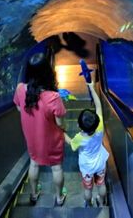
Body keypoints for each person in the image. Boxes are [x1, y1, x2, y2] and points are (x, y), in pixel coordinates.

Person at [13, 52, 67, 206]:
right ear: (47, 72)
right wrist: (65, 130)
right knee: (56, 168)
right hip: (52, 140)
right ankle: (59, 197)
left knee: (34, 162)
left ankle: (34, 194)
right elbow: (60, 122)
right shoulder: (53, 97)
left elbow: (19, 108)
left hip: (31, 137)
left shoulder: (20, 89)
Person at [64, 78, 109, 207]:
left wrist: (61, 132)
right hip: (100, 163)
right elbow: (99, 105)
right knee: (101, 184)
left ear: (79, 125)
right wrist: (91, 87)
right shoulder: (100, 127)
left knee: (88, 189)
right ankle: (101, 202)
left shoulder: (79, 138)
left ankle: (88, 203)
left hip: (87, 167)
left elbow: (71, 144)